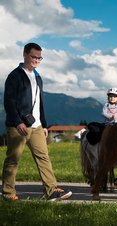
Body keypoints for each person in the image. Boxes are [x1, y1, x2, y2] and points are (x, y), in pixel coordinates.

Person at [1, 43, 72, 201]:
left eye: (40, 58)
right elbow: (9, 102)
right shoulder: (15, 76)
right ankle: (7, 193)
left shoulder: (37, 77)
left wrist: (44, 124)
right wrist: (18, 122)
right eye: (34, 57)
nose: (37, 61)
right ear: (25, 54)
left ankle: (51, 190)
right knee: (13, 159)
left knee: (43, 157)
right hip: (17, 126)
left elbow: (39, 103)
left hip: (37, 126)